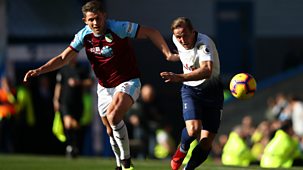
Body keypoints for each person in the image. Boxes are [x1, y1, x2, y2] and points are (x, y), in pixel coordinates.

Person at [23, 1, 177, 169]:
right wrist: (39, 70)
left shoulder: (118, 27)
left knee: (113, 116)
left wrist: (167, 54)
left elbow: (150, 32)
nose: (95, 23)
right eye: (91, 20)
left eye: (98, 18)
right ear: (85, 21)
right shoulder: (83, 35)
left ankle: (126, 162)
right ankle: (119, 163)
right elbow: (62, 58)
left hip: (128, 81)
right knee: (110, 129)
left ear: (104, 16)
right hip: (104, 87)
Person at [160, 17, 224, 170]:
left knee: (206, 141)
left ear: (193, 32)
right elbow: (184, 54)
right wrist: (173, 56)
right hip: (191, 90)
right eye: (178, 36)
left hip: (213, 92)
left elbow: (207, 71)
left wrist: (178, 77)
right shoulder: (178, 41)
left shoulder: (204, 44)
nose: (181, 40)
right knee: (193, 130)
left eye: (184, 35)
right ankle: (182, 149)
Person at [53, 57, 92, 158]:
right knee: (68, 124)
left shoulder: (81, 69)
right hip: (65, 102)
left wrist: (78, 83)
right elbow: (58, 86)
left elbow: (90, 82)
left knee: (75, 125)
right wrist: (56, 99)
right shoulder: (63, 70)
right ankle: (70, 146)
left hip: (78, 102)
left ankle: (74, 146)